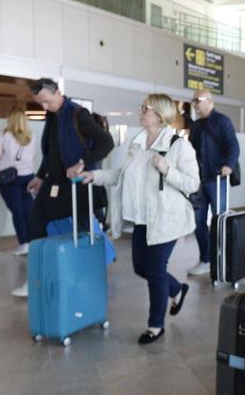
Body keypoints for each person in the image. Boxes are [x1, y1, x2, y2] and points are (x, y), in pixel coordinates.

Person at [79, 94, 199, 344]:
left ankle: (155, 325)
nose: (141, 111)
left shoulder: (178, 145)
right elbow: (120, 175)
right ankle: (177, 289)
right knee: (141, 268)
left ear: (160, 114)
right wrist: (95, 175)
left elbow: (193, 183)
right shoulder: (138, 142)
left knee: (155, 271)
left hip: (166, 219)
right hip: (142, 219)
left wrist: (168, 170)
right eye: (142, 107)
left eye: (146, 108)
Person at [12, 78, 114, 297]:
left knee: (85, 231)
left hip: (77, 183)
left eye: (47, 101)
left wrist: (82, 163)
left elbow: (106, 143)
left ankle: (91, 275)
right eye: (40, 103)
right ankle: (36, 280)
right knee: (36, 223)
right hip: (54, 182)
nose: (44, 107)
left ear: (58, 92)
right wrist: (40, 176)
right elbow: (51, 153)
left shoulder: (78, 114)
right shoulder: (52, 116)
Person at [187, 88, 240, 276]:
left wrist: (229, 165)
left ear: (209, 101)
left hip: (217, 180)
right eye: (193, 101)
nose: (194, 104)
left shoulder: (222, 121)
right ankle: (206, 259)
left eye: (197, 100)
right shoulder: (195, 126)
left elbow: (233, 145)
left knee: (220, 221)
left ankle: (223, 260)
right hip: (198, 182)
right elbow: (190, 151)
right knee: (198, 221)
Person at [0, 109, 37, 255]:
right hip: (29, 176)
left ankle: (23, 244)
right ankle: (32, 241)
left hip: (10, 178)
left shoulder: (3, 135)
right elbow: (33, 155)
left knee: (17, 211)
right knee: (28, 210)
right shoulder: (31, 136)